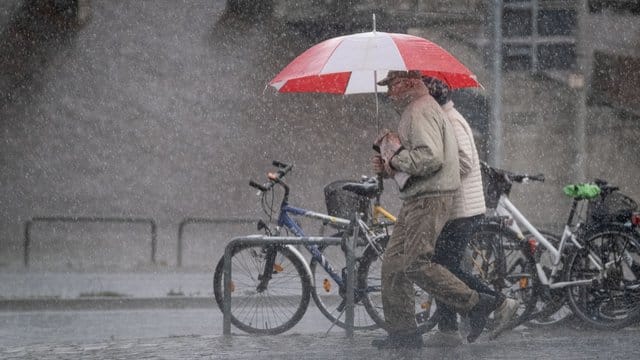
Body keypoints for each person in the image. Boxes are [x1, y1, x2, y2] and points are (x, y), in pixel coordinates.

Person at [370, 70, 502, 349]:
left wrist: (395, 157)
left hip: (428, 197)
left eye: (392, 85)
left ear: (409, 83)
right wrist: (389, 165)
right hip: (418, 196)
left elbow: (430, 157)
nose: (389, 92)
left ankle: (476, 303)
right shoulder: (417, 110)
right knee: (394, 264)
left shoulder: (420, 111)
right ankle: (402, 332)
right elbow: (418, 158)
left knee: (415, 263)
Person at [422, 76, 518, 347]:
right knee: (441, 266)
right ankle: (448, 327)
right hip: (456, 207)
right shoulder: (445, 118)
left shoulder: (450, 121)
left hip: (461, 208)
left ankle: (497, 303)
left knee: (444, 268)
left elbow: (463, 161)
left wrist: (435, 176)